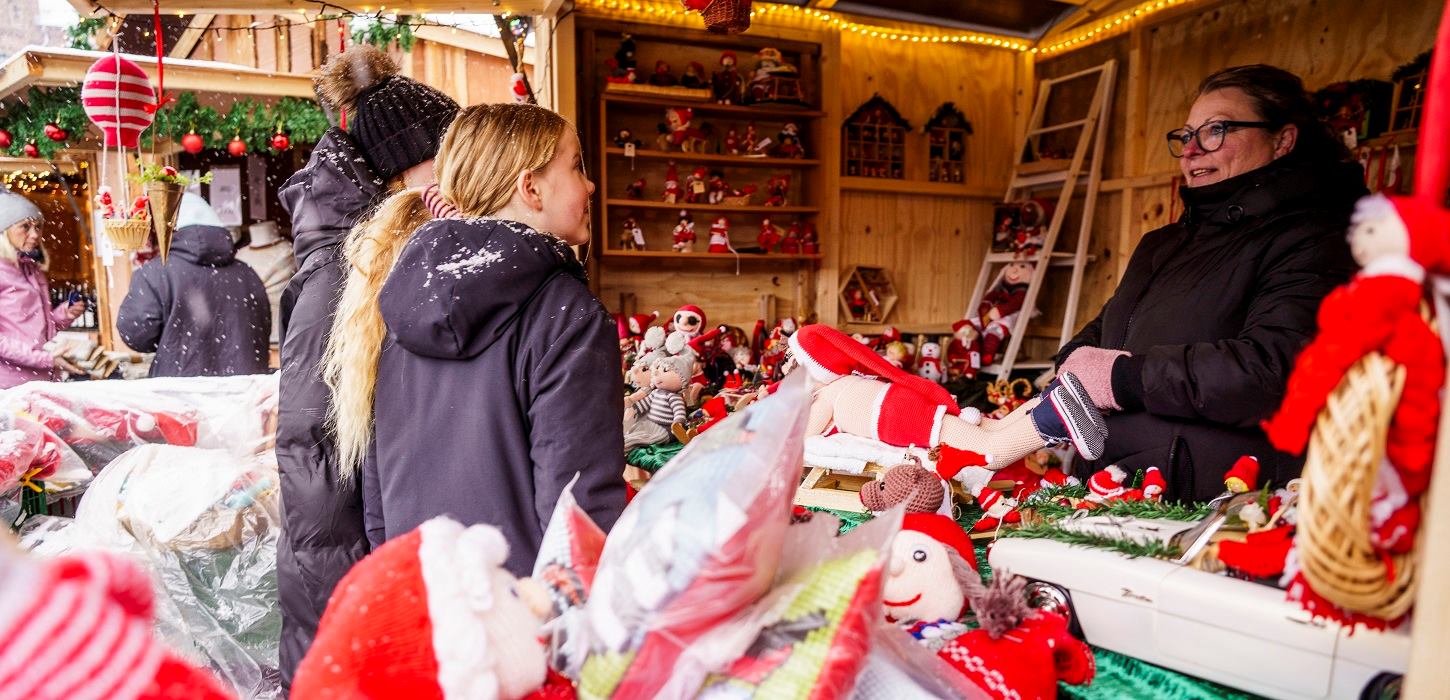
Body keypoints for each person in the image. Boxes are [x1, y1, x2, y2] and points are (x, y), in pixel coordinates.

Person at [324, 102, 626, 577]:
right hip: (525, 625)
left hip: (430, 607)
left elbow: (380, 498)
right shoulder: (568, 316)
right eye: (576, 166)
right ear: (531, 188)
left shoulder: (399, 298)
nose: (590, 184)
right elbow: (579, 518)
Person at [1055, 64, 1364, 501]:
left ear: (1283, 141)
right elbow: (1108, 326)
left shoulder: (1316, 238)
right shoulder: (1163, 243)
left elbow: (1275, 371)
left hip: (1218, 505)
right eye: (1185, 136)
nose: (1192, 150)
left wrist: (1125, 378)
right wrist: (1070, 365)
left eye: (1216, 130)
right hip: (1117, 488)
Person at [274, 44, 459, 687]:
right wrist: (357, 607)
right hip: (347, 598)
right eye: (449, 159)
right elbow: (314, 459)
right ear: (400, 172)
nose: (463, 177)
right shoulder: (342, 275)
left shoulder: (403, 254)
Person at [116, 193, 270, 377]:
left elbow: (138, 334)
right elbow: (262, 329)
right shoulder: (248, 274)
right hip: (244, 394)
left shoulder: (154, 274)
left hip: (181, 394)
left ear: (170, 232)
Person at [0, 188, 85, 389]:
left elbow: (37, 328)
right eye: (25, 227)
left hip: (44, 380)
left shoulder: (31, 269)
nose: (34, 234)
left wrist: (65, 313)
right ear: (4, 230)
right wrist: (44, 359)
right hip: (11, 385)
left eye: (38, 227)